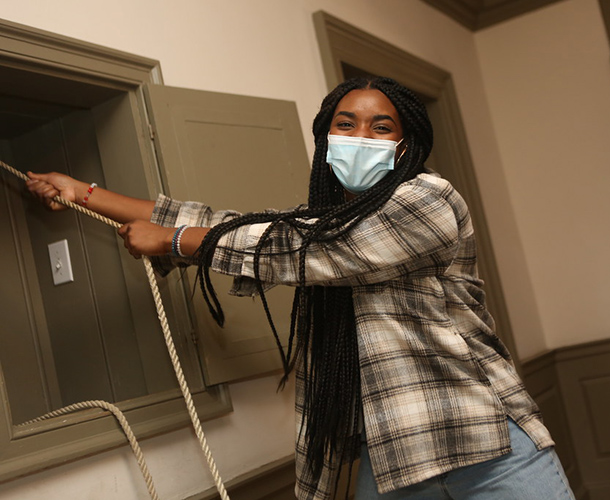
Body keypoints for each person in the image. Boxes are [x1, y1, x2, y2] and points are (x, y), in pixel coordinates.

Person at [27, 76, 574, 500]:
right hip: (391, 458)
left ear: (405, 145)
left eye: (381, 127)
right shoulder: (330, 216)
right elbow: (225, 224)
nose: (360, 137)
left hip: (484, 441)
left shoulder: (428, 199)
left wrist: (172, 242)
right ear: (326, 136)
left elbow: (311, 251)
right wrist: (84, 193)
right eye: (346, 123)